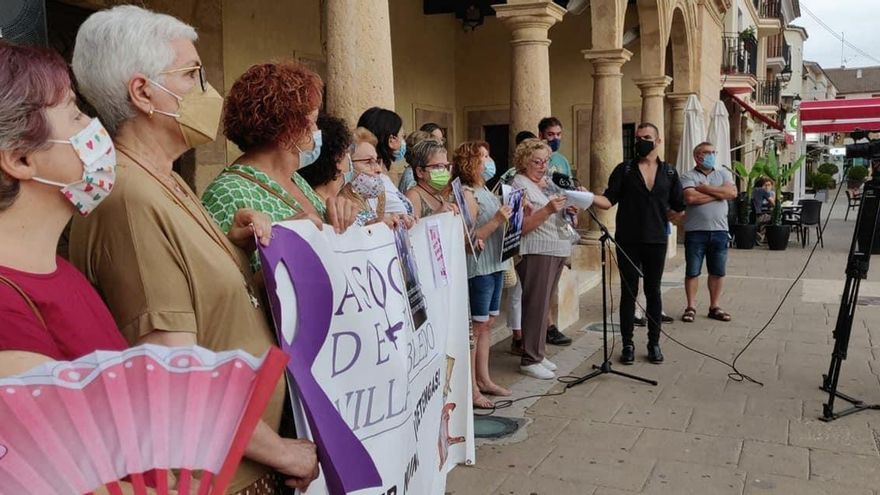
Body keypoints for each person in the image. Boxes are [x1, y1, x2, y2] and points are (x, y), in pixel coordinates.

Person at [68, 6, 318, 492]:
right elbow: (174, 375)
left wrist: (235, 248)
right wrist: (282, 451)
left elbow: (197, 296)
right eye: (191, 74)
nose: (208, 91)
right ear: (142, 93)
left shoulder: (168, 180)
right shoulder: (129, 198)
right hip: (219, 476)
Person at [0, 41, 127, 377]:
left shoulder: (61, 272)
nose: (93, 126)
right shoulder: (5, 309)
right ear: (20, 158)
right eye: (74, 114)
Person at [202, 61, 357, 257]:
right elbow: (225, 280)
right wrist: (284, 242)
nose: (318, 132)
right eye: (314, 122)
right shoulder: (227, 193)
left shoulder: (295, 180)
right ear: (289, 129)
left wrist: (351, 224)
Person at [592, 123, 685, 365]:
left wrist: (666, 218)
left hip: (656, 240)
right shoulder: (625, 169)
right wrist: (588, 197)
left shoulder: (670, 173)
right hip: (628, 240)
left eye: (646, 137)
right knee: (628, 293)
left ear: (658, 140)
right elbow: (608, 199)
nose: (641, 141)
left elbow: (679, 207)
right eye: (638, 137)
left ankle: (654, 343)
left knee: (653, 292)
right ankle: (628, 344)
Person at [452, 141, 513, 407]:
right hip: (479, 269)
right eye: (483, 157)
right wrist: (498, 219)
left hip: (496, 265)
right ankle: (472, 387)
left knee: (487, 324)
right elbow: (469, 239)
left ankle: (485, 379)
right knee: (476, 328)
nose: (488, 161)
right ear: (470, 163)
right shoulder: (467, 194)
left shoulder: (485, 189)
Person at [510, 139, 572, 379]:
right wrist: (547, 210)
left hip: (556, 248)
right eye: (537, 161)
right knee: (535, 304)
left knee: (544, 304)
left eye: (545, 161)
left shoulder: (546, 183)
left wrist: (568, 208)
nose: (542, 166)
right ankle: (529, 358)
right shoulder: (518, 184)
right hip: (536, 250)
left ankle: (538, 352)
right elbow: (520, 227)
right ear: (524, 161)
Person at [680, 142, 737, 323]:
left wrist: (704, 189)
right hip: (696, 231)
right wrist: (719, 194)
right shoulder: (687, 176)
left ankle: (715, 306)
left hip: (720, 231)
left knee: (718, 271)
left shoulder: (723, 173)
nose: (711, 155)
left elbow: (732, 193)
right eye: (707, 152)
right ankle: (691, 306)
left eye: (713, 152)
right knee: (692, 271)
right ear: (697, 156)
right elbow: (689, 197)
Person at [357, 107, 415, 217]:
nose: (404, 142)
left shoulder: (383, 176)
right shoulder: (370, 182)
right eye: (402, 136)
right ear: (391, 140)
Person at [338, 127, 392, 226]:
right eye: (368, 162)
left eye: (376, 161)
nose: (378, 169)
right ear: (347, 163)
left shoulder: (367, 200)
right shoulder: (340, 207)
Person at [297, 114, 353, 203]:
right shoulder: (319, 207)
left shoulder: (304, 198)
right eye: (346, 152)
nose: (350, 158)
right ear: (338, 159)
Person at [404, 139, 457, 218]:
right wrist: (436, 215)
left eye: (445, 166)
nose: (444, 171)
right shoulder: (413, 196)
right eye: (438, 166)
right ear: (420, 171)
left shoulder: (437, 194)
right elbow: (412, 229)